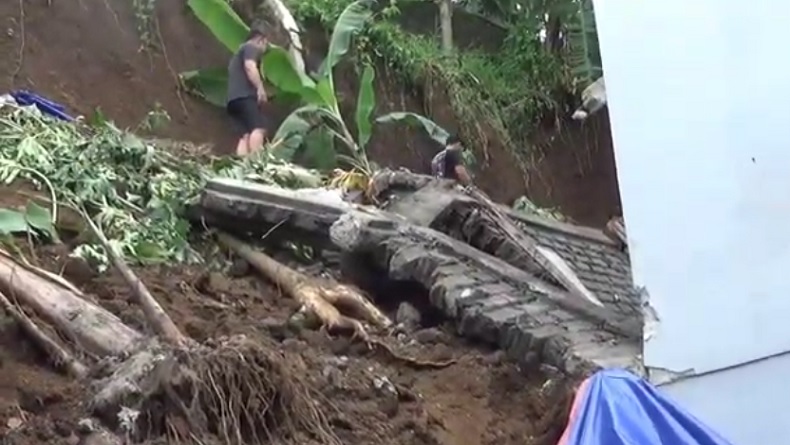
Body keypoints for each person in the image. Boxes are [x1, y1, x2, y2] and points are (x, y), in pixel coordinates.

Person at [226, 27, 269, 157]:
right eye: (266, 45)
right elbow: (250, 67)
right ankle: (257, 163)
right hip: (245, 96)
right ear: (261, 40)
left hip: (232, 101)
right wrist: (260, 88)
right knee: (258, 128)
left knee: (245, 135)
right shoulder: (251, 47)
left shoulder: (237, 54)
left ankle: (243, 166)